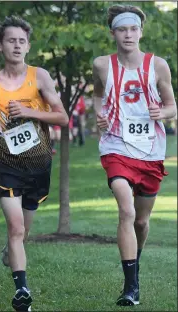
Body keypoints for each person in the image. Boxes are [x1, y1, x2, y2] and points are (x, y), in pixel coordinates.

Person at [93, 4, 176, 307]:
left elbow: (172, 106)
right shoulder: (102, 64)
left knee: (140, 221)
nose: (128, 34)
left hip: (151, 151)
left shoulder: (159, 65)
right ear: (113, 32)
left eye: (133, 29)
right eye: (122, 29)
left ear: (141, 32)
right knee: (125, 211)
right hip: (116, 146)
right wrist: (99, 116)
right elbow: (98, 94)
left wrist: (161, 112)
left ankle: (134, 261)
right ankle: (131, 288)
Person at [0, 15, 69, 311]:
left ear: (28, 46)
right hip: (4, 164)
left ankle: (9, 253)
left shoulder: (39, 76)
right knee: (15, 228)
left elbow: (62, 117)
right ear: (0, 46)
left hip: (38, 165)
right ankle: (22, 292)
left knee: (23, 231)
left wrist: (30, 111)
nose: (16, 45)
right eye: (10, 40)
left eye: (21, 41)